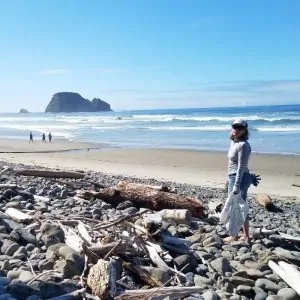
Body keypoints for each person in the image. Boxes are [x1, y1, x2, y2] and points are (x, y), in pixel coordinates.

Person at [225, 119, 252, 243]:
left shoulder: (243, 145)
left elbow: (241, 166)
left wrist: (236, 184)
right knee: (241, 206)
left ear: (244, 130)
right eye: (234, 127)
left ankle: (235, 235)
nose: (235, 130)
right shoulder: (234, 142)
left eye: (239, 128)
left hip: (238, 178)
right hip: (234, 176)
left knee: (235, 207)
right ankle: (246, 235)